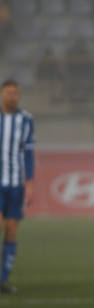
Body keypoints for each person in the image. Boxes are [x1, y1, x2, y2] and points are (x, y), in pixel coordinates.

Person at [0, 79, 35, 294]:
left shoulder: (26, 120)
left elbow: (28, 153)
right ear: (1, 94)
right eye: (8, 92)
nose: (12, 96)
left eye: (15, 93)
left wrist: (29, 182)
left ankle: (2, 280)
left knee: (11, 230)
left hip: (15, 184)